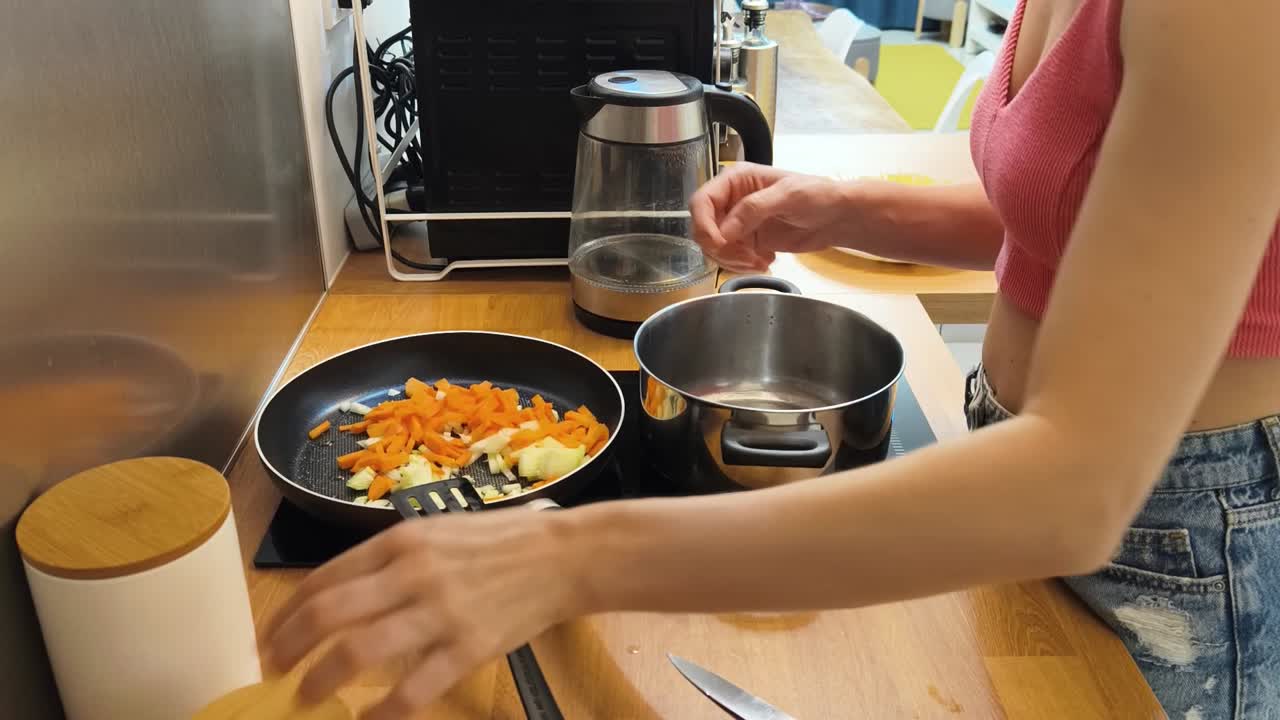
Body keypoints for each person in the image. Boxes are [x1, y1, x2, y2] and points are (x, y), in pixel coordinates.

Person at [264, 1, 1280, 717]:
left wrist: (561, 558)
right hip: (1016, 474)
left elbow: (1075, 490)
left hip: (1178, 542)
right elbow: (1085, 220)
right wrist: (836, 206)